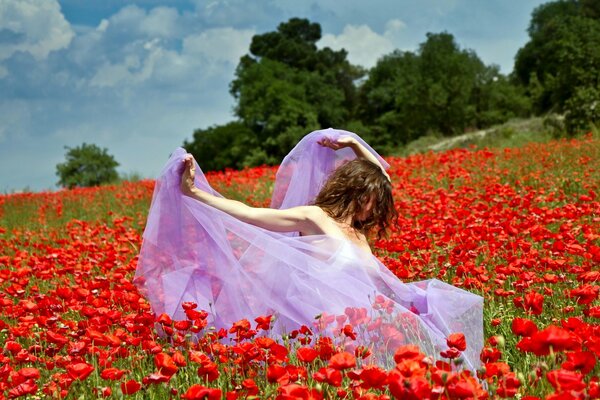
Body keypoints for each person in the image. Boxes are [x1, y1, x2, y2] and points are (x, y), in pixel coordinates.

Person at [135, 128, 483, 370]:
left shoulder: (359, 233)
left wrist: (354, 144)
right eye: (371, 202)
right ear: (356, 193)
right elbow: (255, 215)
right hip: (323, 328)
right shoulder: (315, 217)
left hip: (365, 329)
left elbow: (383, 180)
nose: (375, 211)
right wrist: (197, 194)